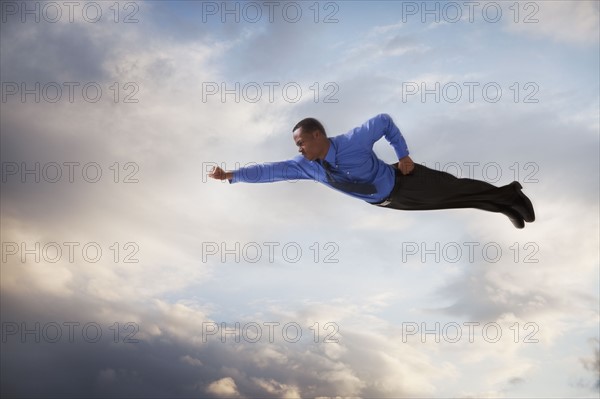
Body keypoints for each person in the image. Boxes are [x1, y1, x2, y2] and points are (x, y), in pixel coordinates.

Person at [208, 114, 535, 228]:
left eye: (301, 142)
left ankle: (511, 193)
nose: (299, 149)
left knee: (458, 190)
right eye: (297, 145)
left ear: (317, 136)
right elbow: (270, 171)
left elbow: (384, 121)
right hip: (389, 202)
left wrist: (404, 154)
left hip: (405, 181)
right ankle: (507, 206)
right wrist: (232, 175)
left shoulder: (352, 141)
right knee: (457, 202)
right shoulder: (306, 167)